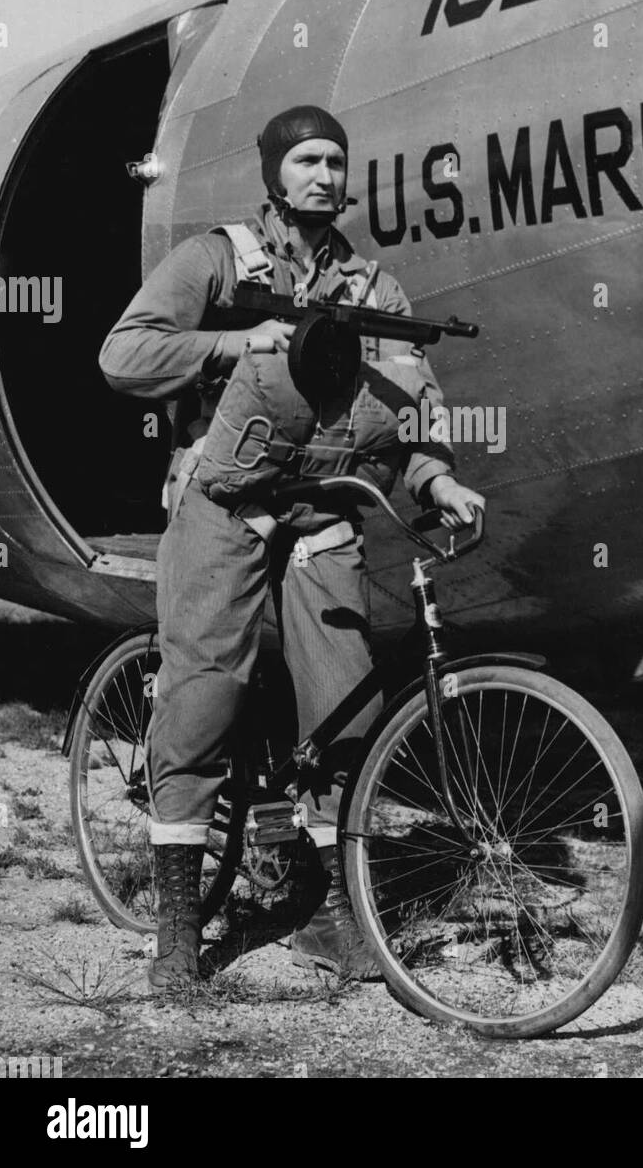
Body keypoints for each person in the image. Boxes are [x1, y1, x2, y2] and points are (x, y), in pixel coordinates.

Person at [99, 104, 485, 989]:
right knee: (200, 699)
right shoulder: (217, 258)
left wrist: (435, 478)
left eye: (334, 161)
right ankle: (175, 942)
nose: (322, 175)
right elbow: (122, 355)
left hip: (321, 512)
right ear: (274, 173)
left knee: (344, 702)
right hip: (225, 504)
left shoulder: (376, 291)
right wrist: (236, 342)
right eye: (305, 160)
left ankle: (327, 907)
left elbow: (413, 402)